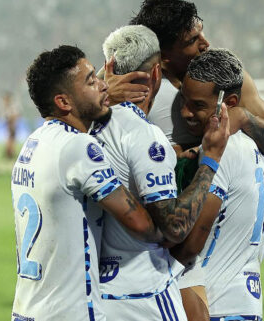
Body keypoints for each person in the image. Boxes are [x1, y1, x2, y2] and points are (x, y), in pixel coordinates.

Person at [11, 45, 162, 321]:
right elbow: (140, 224)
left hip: (27, 309)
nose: (104, 86)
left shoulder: (32, 144)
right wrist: (177, 231)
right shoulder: (77, 147)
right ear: (64, 102)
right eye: (91, 81)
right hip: (70, 313)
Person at [91, 25, 230, 321]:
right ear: (157, 75)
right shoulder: (145, 135)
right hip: (142, 295)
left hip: (92, 294)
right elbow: (175, 227)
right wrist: (211, 160)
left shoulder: (81, 130)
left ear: (108, 69)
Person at [103, 0, 264, 158]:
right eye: (192, 40)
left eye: (201, 32)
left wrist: (244, 118)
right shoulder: (127, 79)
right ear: (164, 54)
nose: (206, 43)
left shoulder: (222, 75)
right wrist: (105, 99)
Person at [170, 48, 264, 321]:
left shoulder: (223, 149)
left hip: (215, 305)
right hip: (247, 303)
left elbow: (195, 241)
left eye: (198, 105)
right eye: (184, 101)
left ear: (228, 102)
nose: (185, 112)